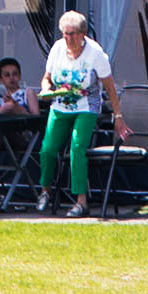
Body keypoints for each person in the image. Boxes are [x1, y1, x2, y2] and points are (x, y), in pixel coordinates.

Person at [36, 12, 119, 214]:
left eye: (72, 34)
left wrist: (118, 115)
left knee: (77, 147)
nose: (68, 38)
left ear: (83, 34)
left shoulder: (95, 53)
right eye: (65, 34)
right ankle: (45, 190)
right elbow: (47, 78)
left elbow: (109, 86)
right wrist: (46, 89)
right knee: (47, 149)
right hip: (60, 105)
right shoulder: (57, 49)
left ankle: (81, 201)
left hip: (86, 106)